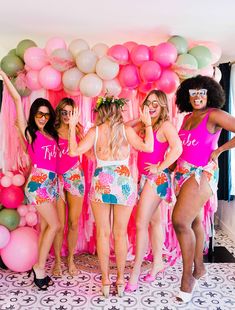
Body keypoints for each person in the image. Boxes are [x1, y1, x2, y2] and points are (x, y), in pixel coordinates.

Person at [68, 95, 154, 297]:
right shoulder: (126, 130)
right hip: (123, 182)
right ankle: (121, 279)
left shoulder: (94, 131)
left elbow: (74, 151)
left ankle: (106, 280)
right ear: (117, 111)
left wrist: (72, 127)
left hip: (102, 182)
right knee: (120, 233)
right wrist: (148, 125)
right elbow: (148, 147)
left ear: (101, 112)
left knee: (103, 233)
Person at [172, 75, 235, 303]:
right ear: (187, 95)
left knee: (180, 221)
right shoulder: (187, 117)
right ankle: (199, 268)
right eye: (193, 92)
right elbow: (182, 149)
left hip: (201, 174)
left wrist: (219, 151)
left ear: (209, 94)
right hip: (181, 174)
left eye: (202, 92)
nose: (197, 96)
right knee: (195, 222)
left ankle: (187, 278)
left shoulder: (214, 115)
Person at [0, 70, 60, 290]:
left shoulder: (52, 135)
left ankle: (38, 264)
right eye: (39, 114)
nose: (43, 117)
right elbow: (17, 99)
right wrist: (4, 77)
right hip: (39, 184)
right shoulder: (30, 132)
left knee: (46, 227)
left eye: (46, 114)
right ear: (33, 115)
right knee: (55, 225)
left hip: (52, 184)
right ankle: (40, 268)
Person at [125, 90, 182, 292]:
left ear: (164, 106)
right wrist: (143, 118)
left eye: (155, 103)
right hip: (144, 179)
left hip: (156, 178)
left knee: (141, 223)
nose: (151, 106)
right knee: (154, 221)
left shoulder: (165, 126)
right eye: (148, 102)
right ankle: (157, 262)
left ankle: (136, 271)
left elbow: (177, 149)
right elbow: (125, 127)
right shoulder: (145, 125)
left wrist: (160, 167)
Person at [53, 98, 85, 277]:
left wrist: (74, 128)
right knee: (59, 224)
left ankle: (70, 258)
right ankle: (57, 260)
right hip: (56, 179)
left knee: (73, 222)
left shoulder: (79, 130)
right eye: (63, 112)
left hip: (74, 175)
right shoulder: (51, 130)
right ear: (59, 112)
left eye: (70, 112)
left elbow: (86, 151)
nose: (67, 116)